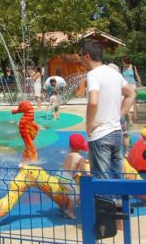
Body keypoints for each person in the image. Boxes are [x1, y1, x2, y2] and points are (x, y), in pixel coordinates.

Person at [79, 41, 136, 184]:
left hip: (100, 134)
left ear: (87, 56)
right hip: (117, 133)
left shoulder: (93, 75)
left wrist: (90, 124)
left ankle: (105, 207)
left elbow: (93, 101)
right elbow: (131, 94)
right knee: (118, 178)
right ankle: (119, 205)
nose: (79, 58)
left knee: (102, 182)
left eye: (80, 55)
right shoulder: (114, 73)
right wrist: (120, 115)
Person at [60, 133, 89, 219]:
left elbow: (68, 167)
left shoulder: (69, 154)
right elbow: (83, 171)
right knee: (75, 194)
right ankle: (70, 211)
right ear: (81, 148)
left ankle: (62, 206)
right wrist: (88, 175)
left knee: (66, 191)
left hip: (60, 174)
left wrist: (74, 173)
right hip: (67, 177)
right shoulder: (80, 158)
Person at [121, 56, 142, 124]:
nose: (122, 63)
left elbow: (136, 75)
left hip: (133, 85)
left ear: (127, 62)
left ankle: (135, 117)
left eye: (123, 62)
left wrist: (140, 82)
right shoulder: (122, 68)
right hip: (125, 86)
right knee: (126, 101)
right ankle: (129, 118)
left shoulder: (133, 67)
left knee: (133, 102)